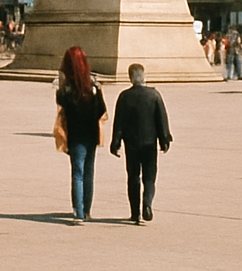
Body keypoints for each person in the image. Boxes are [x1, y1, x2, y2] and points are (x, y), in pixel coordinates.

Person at [110, 63, 172, 225]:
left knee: (133, 177)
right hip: (149, 144)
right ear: (143, 76)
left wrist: (115, 142)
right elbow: (161, 119)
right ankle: (147, 203)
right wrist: (164, 139)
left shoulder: (124, 97)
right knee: (149, 178)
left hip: (131, 144)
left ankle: (135, 213)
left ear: (130, 78)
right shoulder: (154, 95)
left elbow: (119, 123)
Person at [55, 47, 106, 223]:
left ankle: (78, 211)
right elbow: (102, 110)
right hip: (91, 134)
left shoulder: (67, 90)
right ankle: (86, 210)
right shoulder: (93, 88)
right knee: (88, 172)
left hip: (75, 135)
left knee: (77, 172)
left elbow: (61, 106)